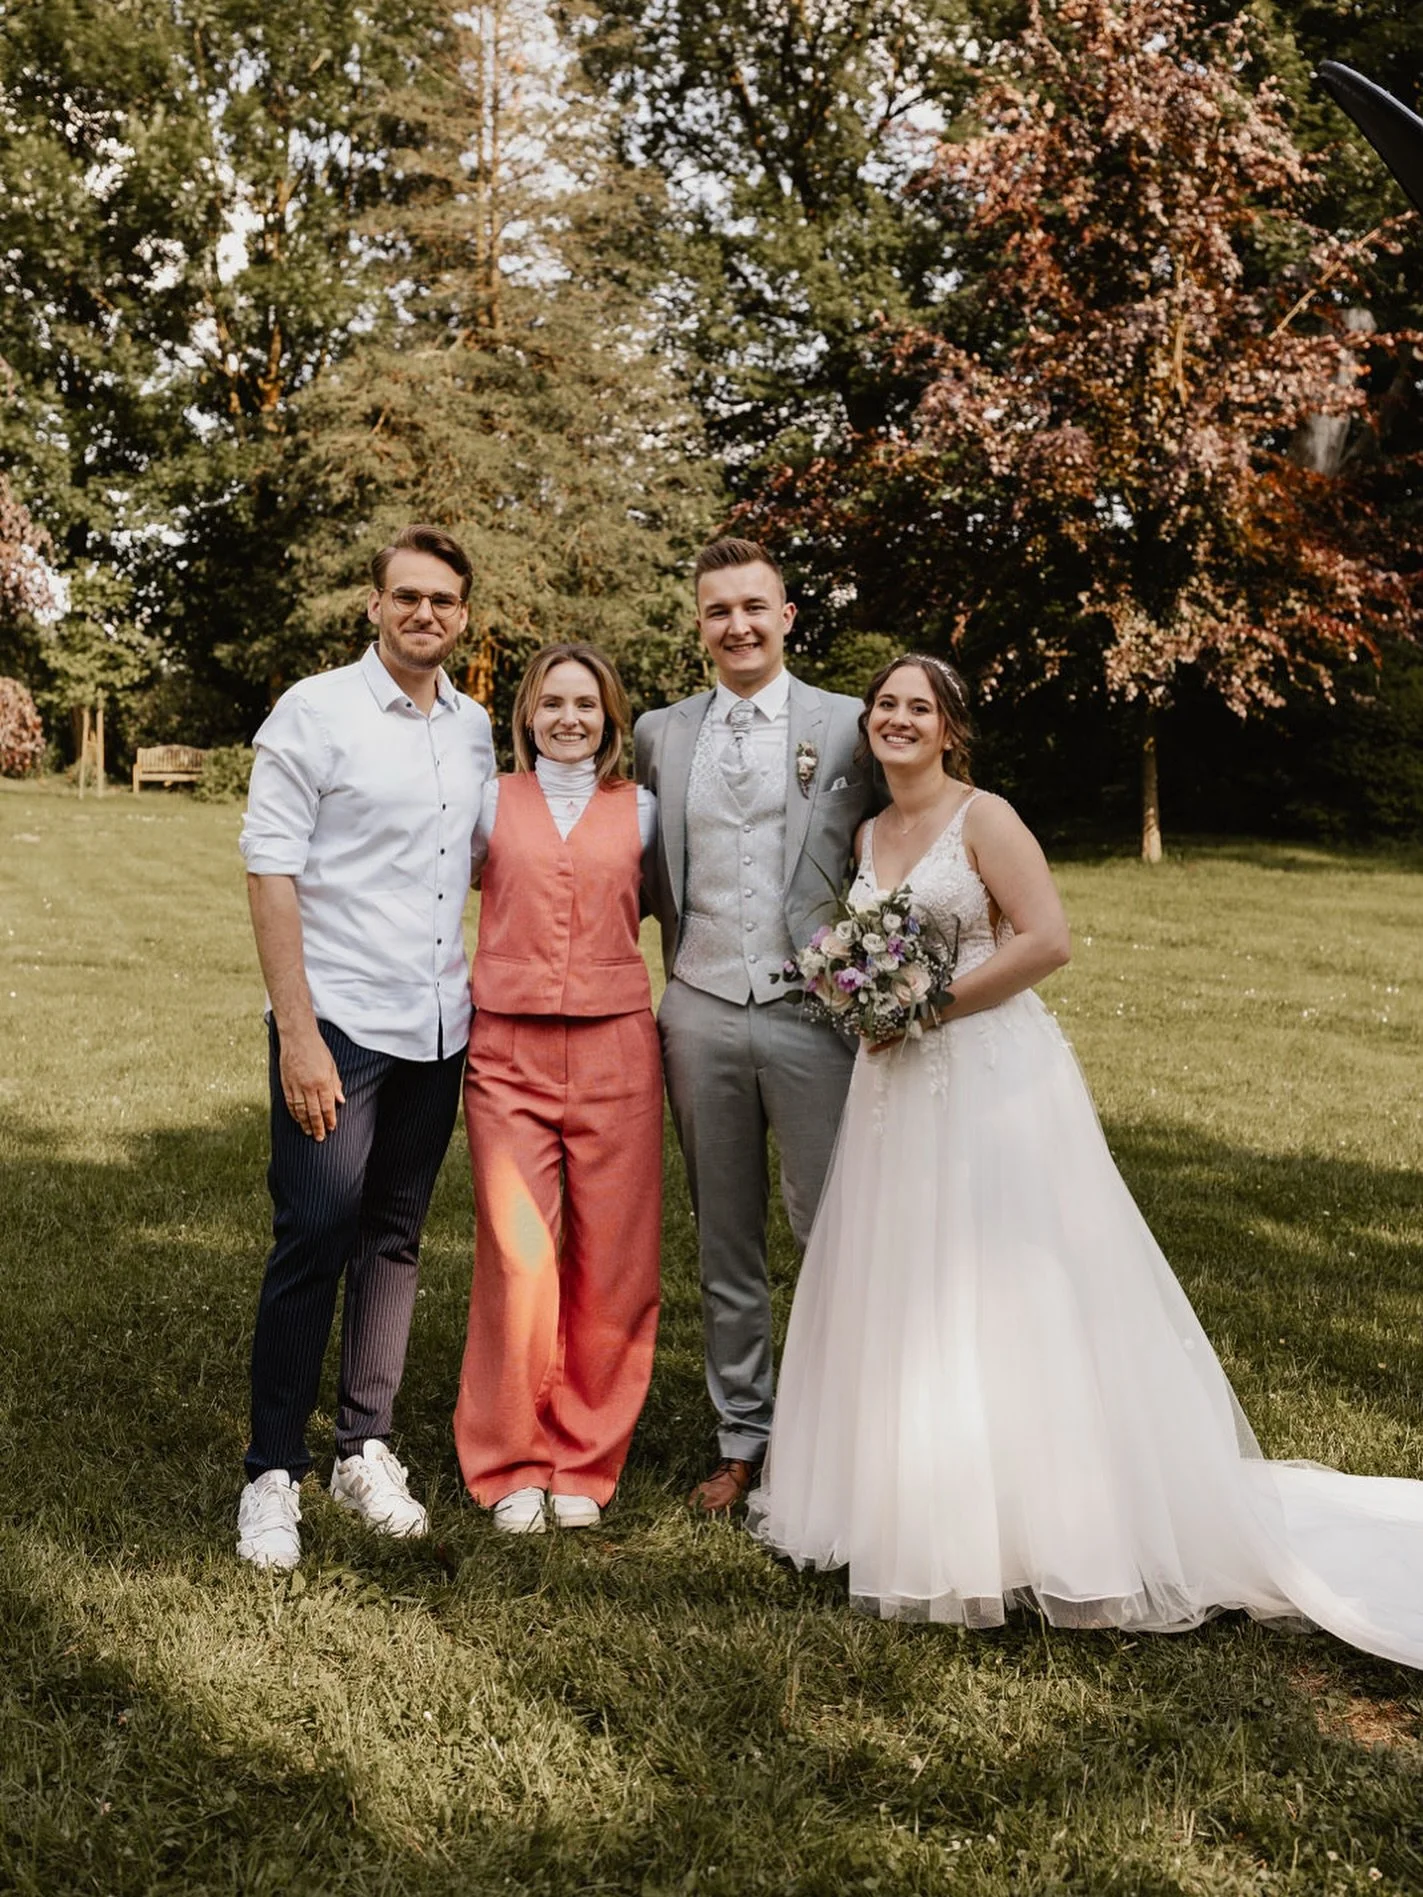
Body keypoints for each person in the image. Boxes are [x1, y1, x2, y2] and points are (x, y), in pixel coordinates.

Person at [748, 653, 1423, 1669]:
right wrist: (869, 1001)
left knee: (1016, 1289)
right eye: (884, 705)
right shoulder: (866, 833)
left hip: (988, 1079)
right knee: (909, 1285)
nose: (896, 718)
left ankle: (1056, 1526)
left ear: (949, 728)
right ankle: (921, 1509)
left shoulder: (984, 817)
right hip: (894, 1086)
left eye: (917, 707)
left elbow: (1046, 939)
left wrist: (927, 1004)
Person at [235, 524, 495, 1571]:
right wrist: (298, 1035)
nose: (424, 613)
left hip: (439, 1024)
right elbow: (268, 872)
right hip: (337, 1019)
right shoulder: (316, 711)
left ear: (464, 616)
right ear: (374, 605)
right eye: (407, 597)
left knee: (393, 1235)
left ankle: (365, 1446)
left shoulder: (476, 727)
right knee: (315, 1231)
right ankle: (270, 1471)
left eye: (443, 600)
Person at [634, 537, 879, 1512]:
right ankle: (746, 1439)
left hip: (811, 1014)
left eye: (752, 606)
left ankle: (846, 1441)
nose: (736, 624)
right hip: (697, 1008)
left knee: (833, 1231)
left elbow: (904, 843)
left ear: (786, 616)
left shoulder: (851, 724)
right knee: (724, 1238)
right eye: (716, 610)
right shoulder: (659, 731)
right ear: (699, 625)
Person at [454, 643, 662, 1533]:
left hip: (619, 1045)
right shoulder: (487, 804)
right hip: (506, 1049)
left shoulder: (644, 809)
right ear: (526, 715)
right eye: (552, 703)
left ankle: (584, 1456)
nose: (569, 718)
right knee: (519, 1256)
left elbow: (659, 904)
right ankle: (509, 1463)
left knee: (614, 1260)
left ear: (610, 716)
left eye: (585, 703)